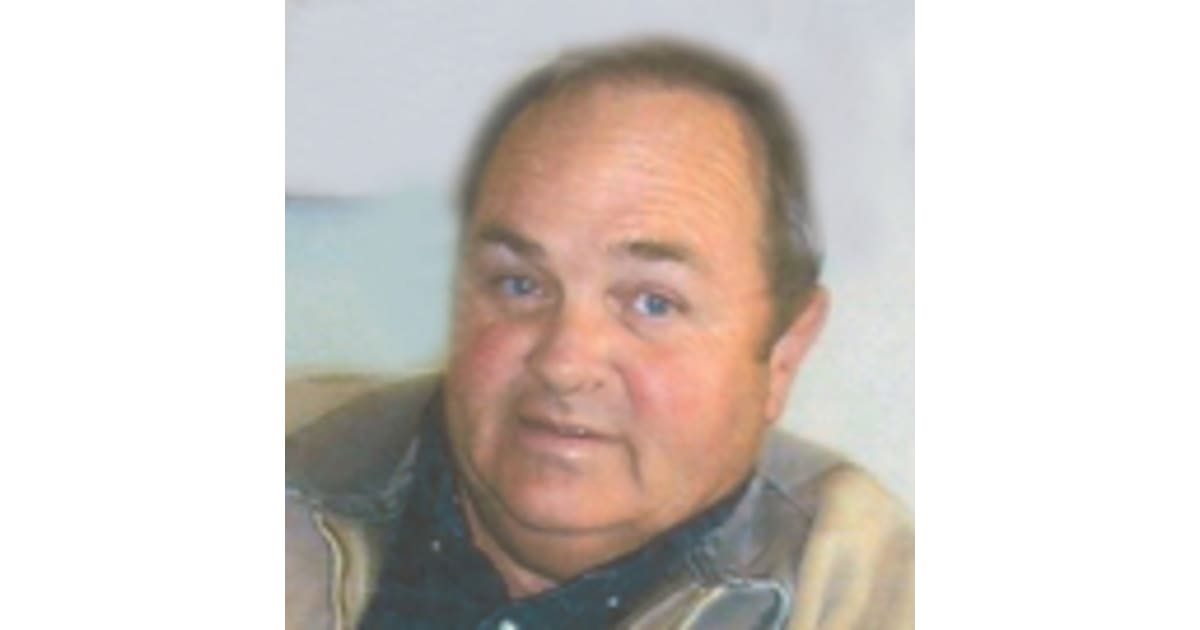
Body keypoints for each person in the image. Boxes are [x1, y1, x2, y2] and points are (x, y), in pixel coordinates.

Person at [286, 37, 913, 630]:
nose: (564, 363)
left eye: (653, 303)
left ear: (784, 352)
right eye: (519, 285)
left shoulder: (864, 594)